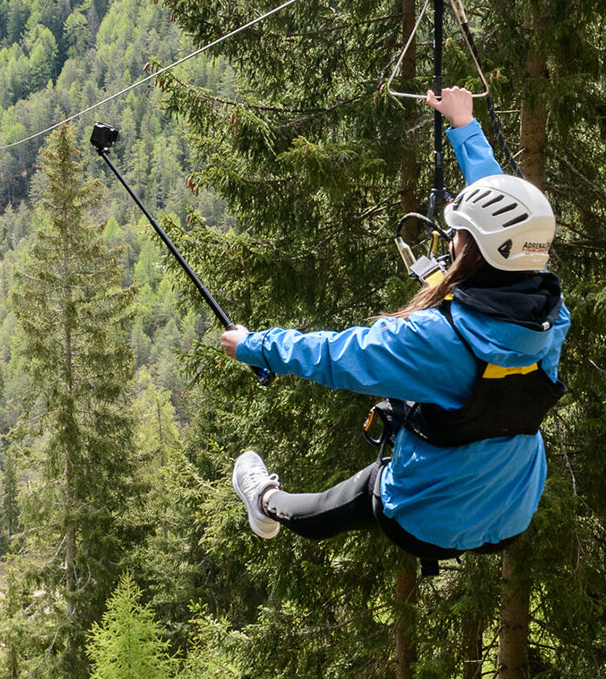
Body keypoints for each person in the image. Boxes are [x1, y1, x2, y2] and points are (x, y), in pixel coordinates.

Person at [223, 86, 569, 562]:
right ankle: (267, 505)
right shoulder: (550, 314)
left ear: (469, 246)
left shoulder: (435, 339)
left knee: (350, 500)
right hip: (512, 512)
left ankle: (264, 503)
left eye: (458, 234)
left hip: (425, 521)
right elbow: (508, 221)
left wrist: (252, 345)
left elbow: (334, 355)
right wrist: (464, 127)